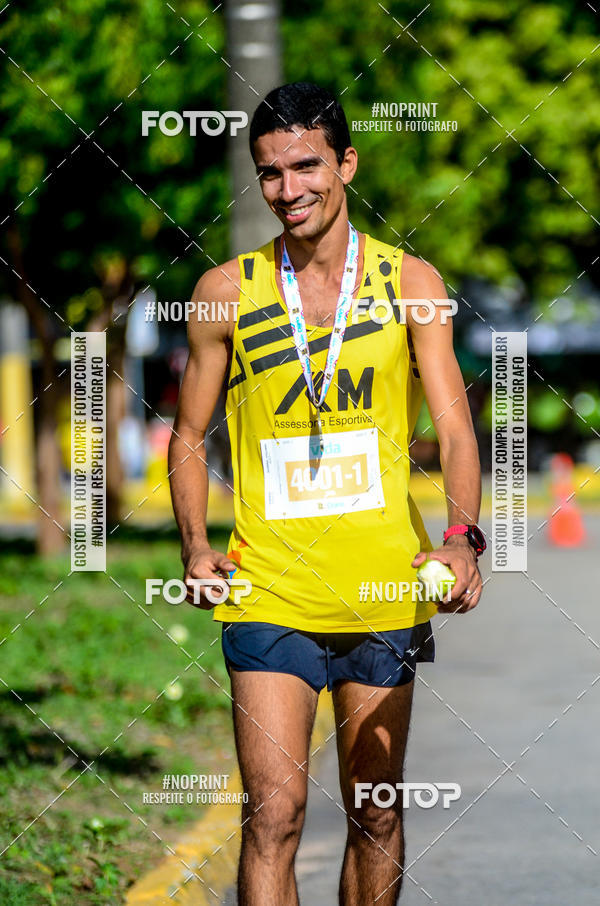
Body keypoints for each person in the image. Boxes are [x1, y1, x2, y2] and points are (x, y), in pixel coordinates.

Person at [168, 81, 485, 906]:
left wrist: (462, 537)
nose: (289, 189)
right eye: (270, 173)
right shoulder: (224, 293)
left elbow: (454, 430)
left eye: (306, 165)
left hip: (384, 585)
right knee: (273, 813)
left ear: (345, 162)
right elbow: (185, 436)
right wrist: (197, 546)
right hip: (268, 586)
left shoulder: (410, 282)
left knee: (375, 812)